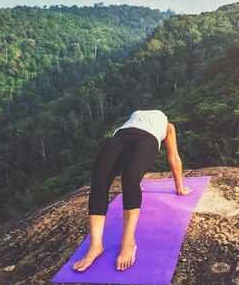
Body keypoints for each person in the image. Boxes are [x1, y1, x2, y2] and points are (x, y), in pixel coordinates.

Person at [72, 110, 192, 272]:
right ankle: (95, 246)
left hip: (147, 137)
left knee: (130, 177)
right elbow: (171, 158)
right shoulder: (150, 121)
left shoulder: (167, 126)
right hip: (122, 135)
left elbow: (173, 157)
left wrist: (180, 187)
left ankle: (128, 242)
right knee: (99, 179)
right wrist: (179, 188)